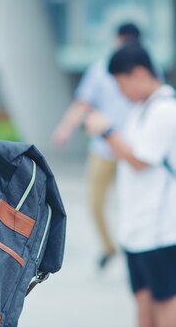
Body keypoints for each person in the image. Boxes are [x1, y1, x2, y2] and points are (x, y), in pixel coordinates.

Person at [84, 46, 176, 327]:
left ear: (138, 74)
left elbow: (140, 160)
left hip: (161, 231)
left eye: (121, 85)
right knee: (144, 303)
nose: (121, 93)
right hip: (139, 230)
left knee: (165, 305)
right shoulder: (142, 109)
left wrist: (106, 131)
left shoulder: (165, 110)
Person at [51, 23, 142, 269]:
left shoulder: (145, 70)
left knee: (136, 202)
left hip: (132, 150)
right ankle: (109, 247)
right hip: (103, 150)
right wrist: (65, 128)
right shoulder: (101, 69)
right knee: (95, 203)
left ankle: (133, 246)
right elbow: (83, 102)